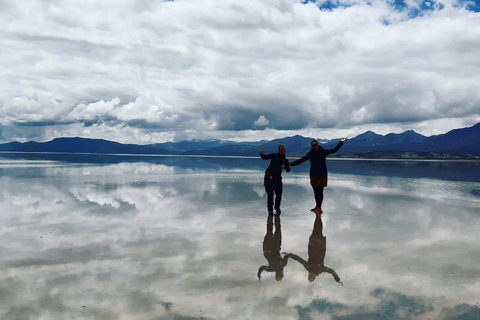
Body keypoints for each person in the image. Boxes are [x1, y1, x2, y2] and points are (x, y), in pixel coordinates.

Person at [290, 137, 347, 214]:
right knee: (315, 191)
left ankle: (319, 207)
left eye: (315, 145)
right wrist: (290, 164)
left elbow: (334, 150)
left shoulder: (323, 152)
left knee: (320, 191)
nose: (314, 146)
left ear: (318, 144)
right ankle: (317, 206)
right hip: (313, 174)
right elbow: (302, 160)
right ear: (312, 147)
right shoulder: (310, 153)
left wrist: (341, 142)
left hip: (322, 174)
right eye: (313, 146)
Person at [287, 214, 342, 284]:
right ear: (315, 277)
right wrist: (337, 280)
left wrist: (289, 255)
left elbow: (299, 259)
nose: (310, 275)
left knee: (315, 230)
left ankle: (318, 216)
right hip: (320, 247)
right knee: (319, 231)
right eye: (312, 277)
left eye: (309, 276)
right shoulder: (320, 270)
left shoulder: (308, 267)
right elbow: (331, 271)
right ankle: (318, 216)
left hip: (312, 246)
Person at [260, 144, 290, 215]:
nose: (283, 151)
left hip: (278, 179)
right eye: (281, 150)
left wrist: (284, 167)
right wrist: (261, 153)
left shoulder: (285, 160)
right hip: (269, 177)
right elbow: (265, 157)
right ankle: (270, 209)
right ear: (279, 150)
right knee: (270, 195)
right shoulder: (274, 155)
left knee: (279, 195)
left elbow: (288, 170)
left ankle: (277, 207)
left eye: (284, 149)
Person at [257, 215, 289, 281]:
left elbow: (286, 256)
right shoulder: (272, 268)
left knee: (276, 230)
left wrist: (286, 254)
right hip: (271, 247)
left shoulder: (282, 265)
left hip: (273, 247)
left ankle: (275, 216)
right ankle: (272, 216)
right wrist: (259, 275)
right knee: (271, 230)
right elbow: (261, 268)